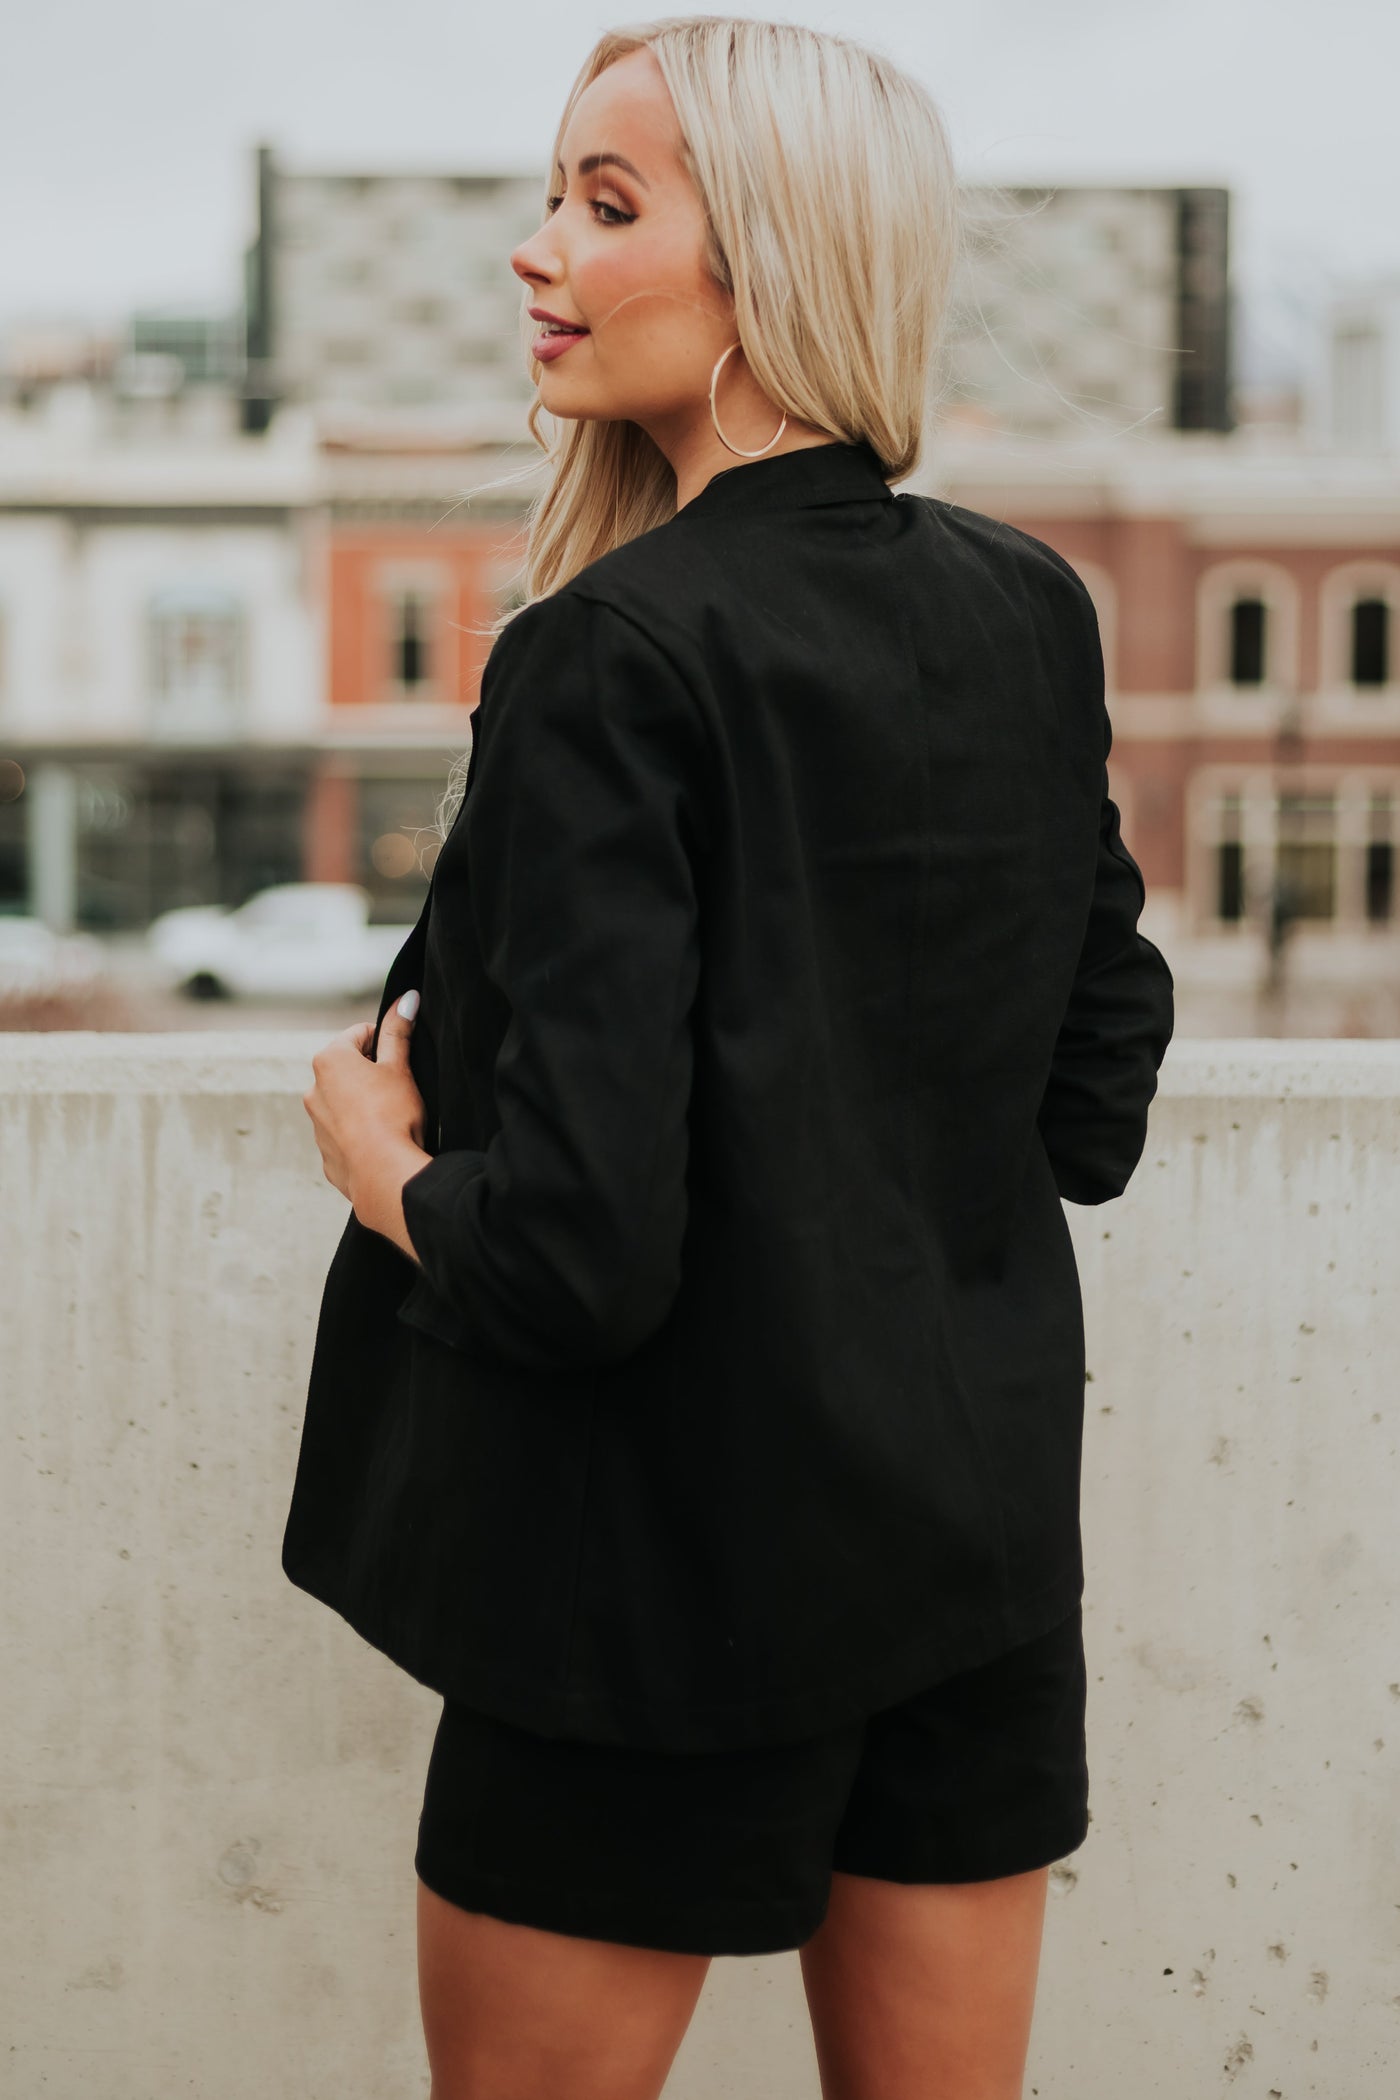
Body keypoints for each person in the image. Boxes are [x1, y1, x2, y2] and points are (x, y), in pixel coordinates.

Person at [290, 16, 1176, 2099]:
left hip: (646, 1591)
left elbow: (578, 1251)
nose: (538, 252)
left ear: (769, 261)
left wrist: (378, 1162)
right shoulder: (1025, 607)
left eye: (606, 206)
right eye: (550, 196)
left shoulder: (609, 653)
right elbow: (1091, 1095)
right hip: (964, 1558)